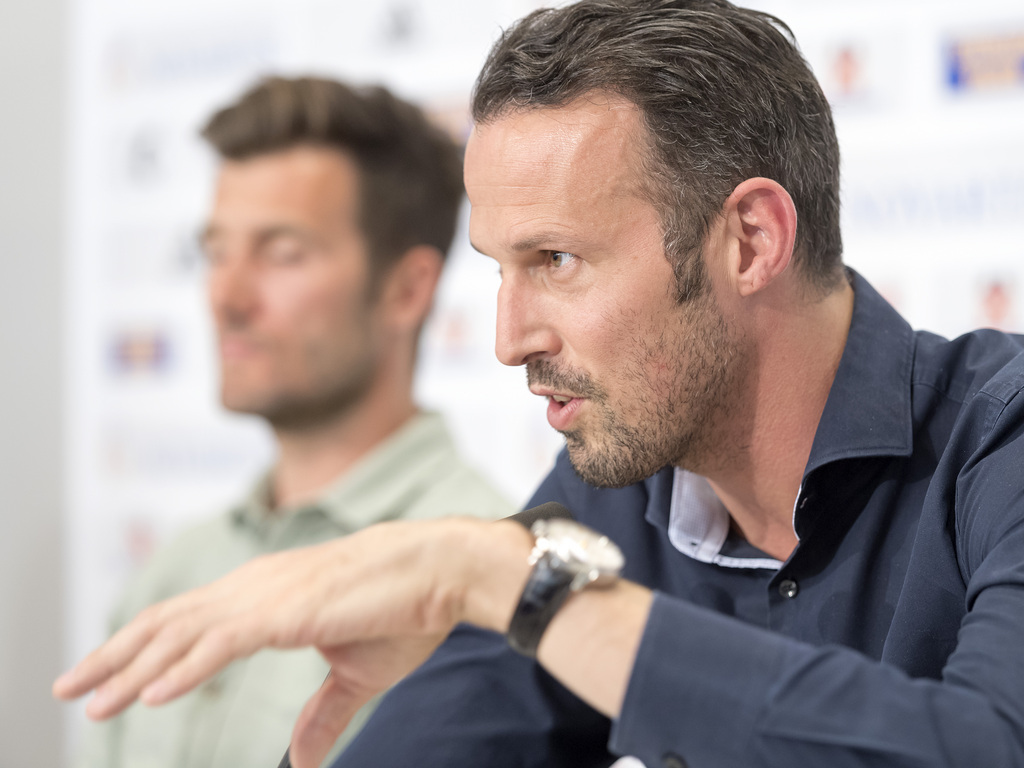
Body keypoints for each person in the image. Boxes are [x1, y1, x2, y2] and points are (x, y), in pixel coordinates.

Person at [56, 2, 1024, 767]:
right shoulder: (612, 494)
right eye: (499, 268)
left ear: (750, 240)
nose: (507, 340)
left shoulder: (1000, 435)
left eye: (556, 260)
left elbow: (987, 747)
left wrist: (516, 588)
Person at [73, 75, 514, 768]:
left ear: (407, 289)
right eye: (216, 252)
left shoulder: (488, 573)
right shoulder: (176, 571)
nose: (227, 296)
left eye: (282, 253)